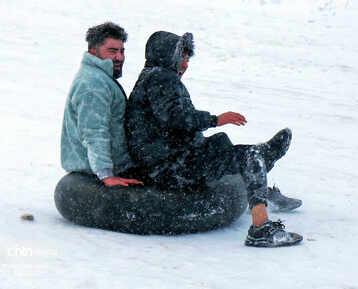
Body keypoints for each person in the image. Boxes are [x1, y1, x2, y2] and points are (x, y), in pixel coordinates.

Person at [125, 31, 302, 247]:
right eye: (182, 57)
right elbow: (175, 117)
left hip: (169, 159)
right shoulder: (161, 78)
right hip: (171, 167)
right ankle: (260, 227)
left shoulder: (151, 77)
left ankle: (262, 172)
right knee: (249, 155)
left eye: (188, 59)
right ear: (167, 55)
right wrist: (215, 119)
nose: (185, 64)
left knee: (223, 145)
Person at [61, 22, 146, 187]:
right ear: (94, 53)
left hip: (116, 164)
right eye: (112, 51)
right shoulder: (93, 84)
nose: (120, 57)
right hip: (96, 172)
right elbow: (94, 132)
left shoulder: (100, 78)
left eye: (122, 51)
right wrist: (106, 174)